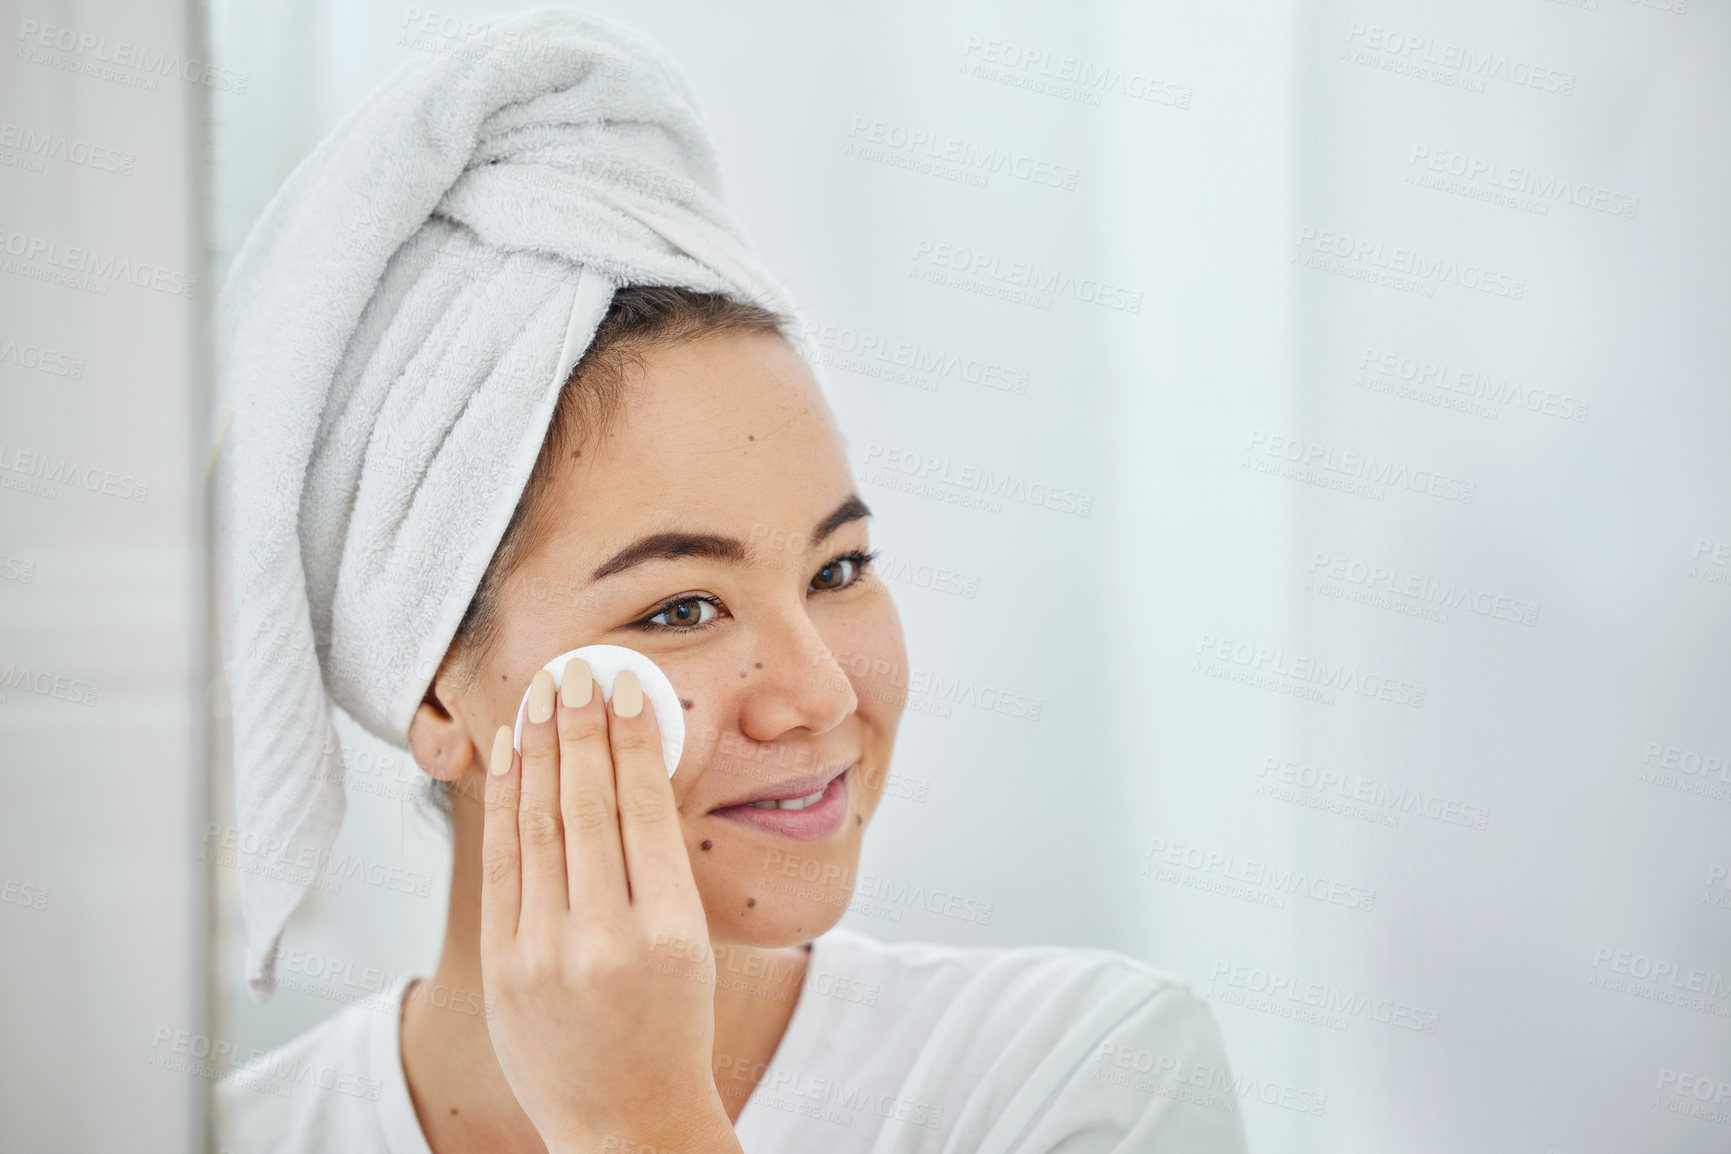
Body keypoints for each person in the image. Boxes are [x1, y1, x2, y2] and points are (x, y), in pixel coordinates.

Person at [212, 11, 1247, 1153]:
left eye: (837, 568)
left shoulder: (1077, 1070)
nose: (817, 693)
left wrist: (638, 1121)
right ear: (438, 695)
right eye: (681, 607)